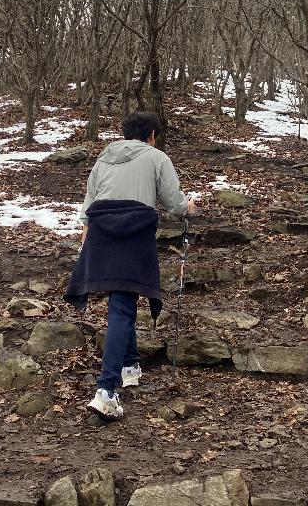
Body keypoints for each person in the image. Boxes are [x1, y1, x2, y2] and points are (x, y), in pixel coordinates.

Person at [65, 111, 196, 420]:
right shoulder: (156, 157)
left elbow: (88, 204)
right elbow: (175, 203)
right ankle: (106, 391)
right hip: (134, 234)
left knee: (122, 299)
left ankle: (130, 366)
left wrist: (86, 238)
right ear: (151, 135)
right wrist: (188, 207)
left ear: (125, 134)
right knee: (123, 306)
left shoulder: (104, 159)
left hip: (101, 235)